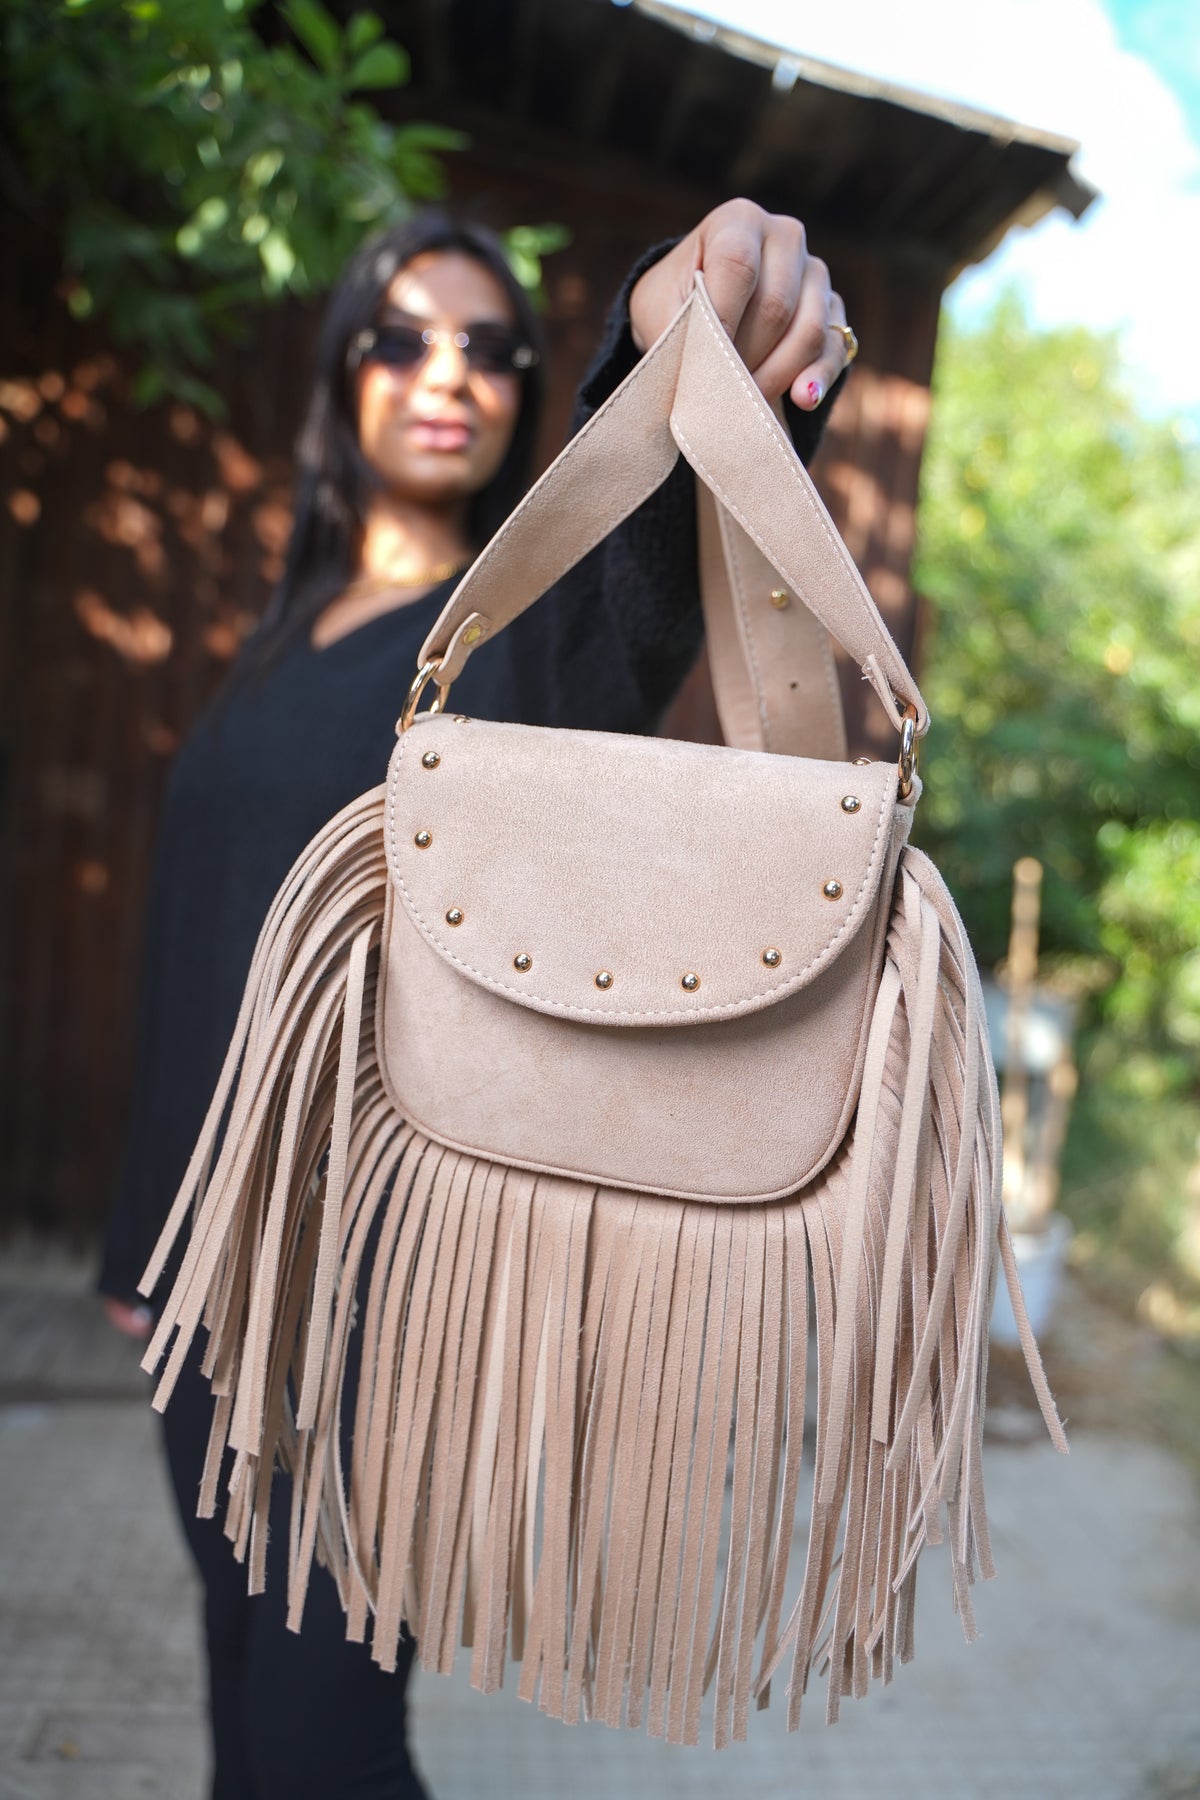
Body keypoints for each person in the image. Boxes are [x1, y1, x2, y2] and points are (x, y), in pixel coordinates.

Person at [99, 198, 857, 1799]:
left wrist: (667, 333)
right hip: (204, 1279)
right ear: (345, 375)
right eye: (404, 337)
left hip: (377, 1301)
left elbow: (646, 560)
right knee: (237, 1694)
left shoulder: (520, 645)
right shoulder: (280, 637)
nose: (447, 373)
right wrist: (135, 1250)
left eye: (492, 348)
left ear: (527, 389)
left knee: (325, 1752)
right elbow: (194, 955)